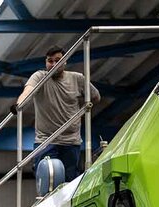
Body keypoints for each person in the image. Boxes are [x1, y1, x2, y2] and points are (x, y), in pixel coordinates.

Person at [16, 46, 101, 183]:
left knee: (70, 184)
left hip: (71, 141)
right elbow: (28, 92)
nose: (54, 64)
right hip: (46, 141)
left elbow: (95, 97)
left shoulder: (77, 78)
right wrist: (18, 105)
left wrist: (82, 111)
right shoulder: (40, 77)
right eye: (50, 61)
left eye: (58, 60)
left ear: (65, 62)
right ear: (46, 62)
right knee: (47, 180)